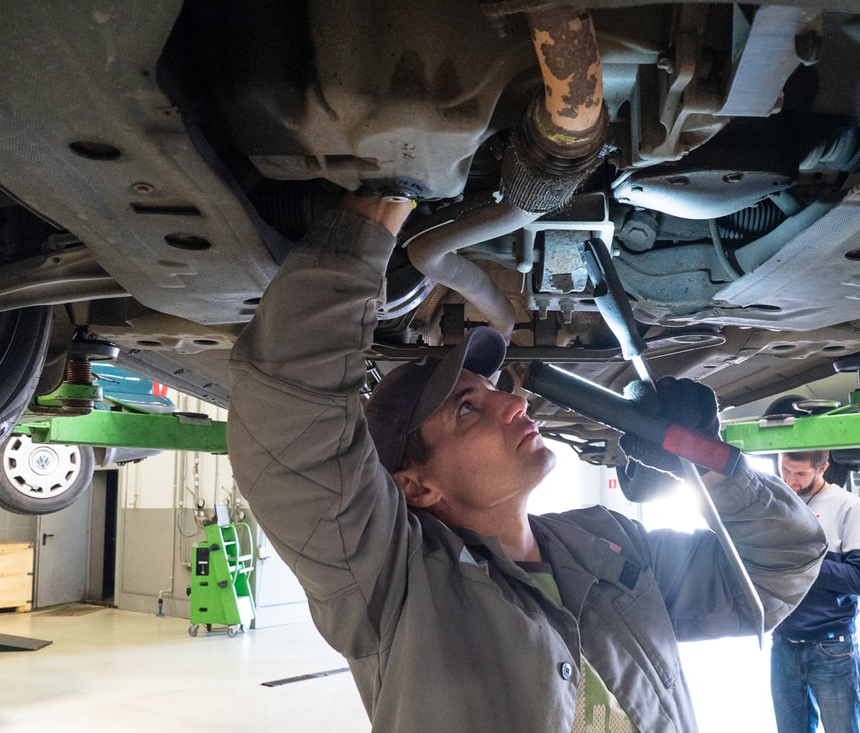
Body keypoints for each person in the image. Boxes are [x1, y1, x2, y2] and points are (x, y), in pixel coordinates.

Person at [226, 191, 827, 732]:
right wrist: (360, 233)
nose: (514, 402)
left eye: (493, 390)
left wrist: (711, 463)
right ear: (416, 485)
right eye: (466, 409)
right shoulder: (392, 586)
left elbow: (780, 568)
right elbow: (289, 428)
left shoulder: (609, 546)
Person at [771, 450, 860, 733]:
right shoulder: (776, 500)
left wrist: (806, 560)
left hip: (831, 648)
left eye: (800, 474)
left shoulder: (847, 506)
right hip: (784, 643)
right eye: (785, 469)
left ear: (823, 468)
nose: (790, 480)